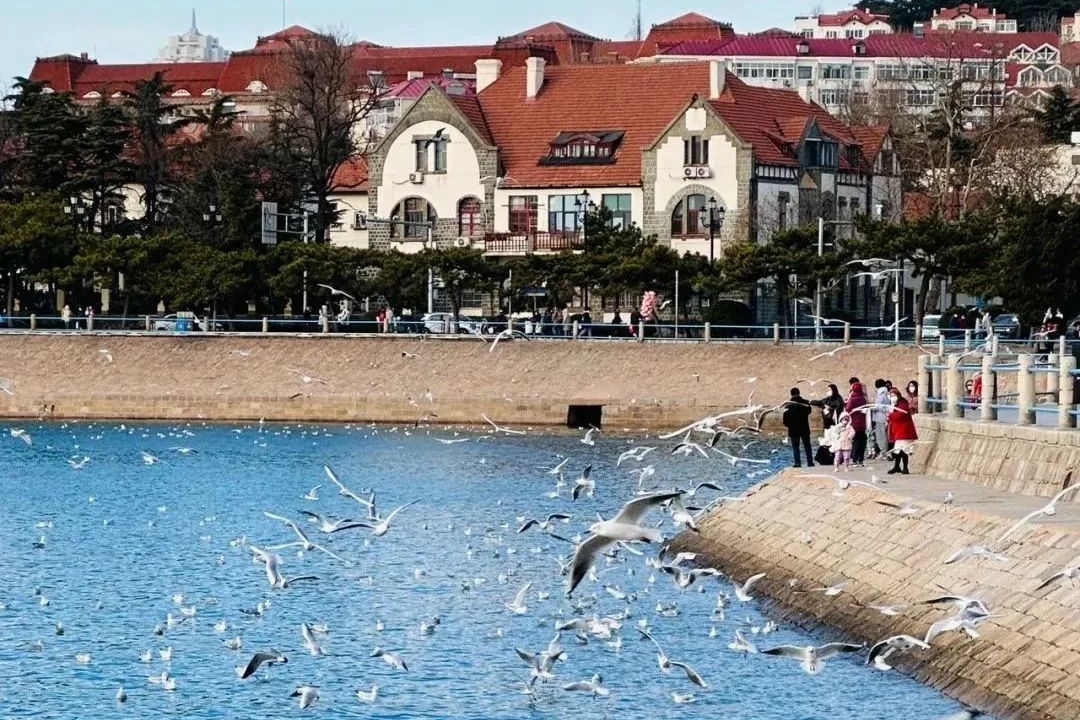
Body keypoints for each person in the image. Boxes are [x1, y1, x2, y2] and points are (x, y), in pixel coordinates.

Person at [887, 388, 918, 474]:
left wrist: (890, 415)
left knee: (902, 450)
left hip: (904, 431)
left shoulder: (903, 404)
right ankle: (898, 467)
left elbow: (900, 415)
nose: (892, 397)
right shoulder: (895, 405)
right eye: (891, 395)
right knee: (900, 450)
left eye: (894, 395)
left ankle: (903, 467)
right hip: (899, 431)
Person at [782, 388, 814, 468]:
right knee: (807, 446)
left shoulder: (788, 405)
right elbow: (809, 411)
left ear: (791, 394)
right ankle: (810, 462)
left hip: (793, 430)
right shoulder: (806, 402)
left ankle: (797, 463)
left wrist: (790, 426)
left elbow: (785, 420)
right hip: (804, 428)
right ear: (799, 393)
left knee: (796, 447)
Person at [845, 380, 869, 466]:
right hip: (862, 423)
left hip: (854, 423)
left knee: (855, 442)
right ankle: (861, 459)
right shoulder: (863, 398)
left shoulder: (852, 398)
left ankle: (854, 459)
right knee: (862, 441)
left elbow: (847, 409)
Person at [871, 379, 890, 459]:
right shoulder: (887, 392)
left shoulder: (880, 393)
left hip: (880, 417)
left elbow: (878, 406)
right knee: (884, 435)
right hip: (885, 416)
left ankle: (883, 452)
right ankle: (885, 451)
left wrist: (871, 408)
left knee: (881, 436)